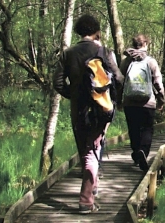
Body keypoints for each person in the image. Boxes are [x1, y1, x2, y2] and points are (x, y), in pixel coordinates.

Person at [53, 14, 123, 214]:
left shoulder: (67, 54)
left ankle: (91, 188)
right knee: (92, 151)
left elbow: (57, 83)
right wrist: (112, 99)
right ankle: (86, 201)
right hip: (101, 108)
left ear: (78, 31)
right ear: (97, 31)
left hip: (78, 110)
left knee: (86, 150)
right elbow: (118, 78)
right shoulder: (103, 51)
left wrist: (74, 95)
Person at [118, 34, 165, 172]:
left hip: (129, 102)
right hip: (147, 101)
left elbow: (120, 82)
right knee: (147, 128)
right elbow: (157, 82)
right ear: (146, 44)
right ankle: (143, 151)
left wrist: (119, 100)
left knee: (133, 128)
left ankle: (136, 152)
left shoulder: (126, 62)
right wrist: (161, 99)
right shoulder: (151, 61)